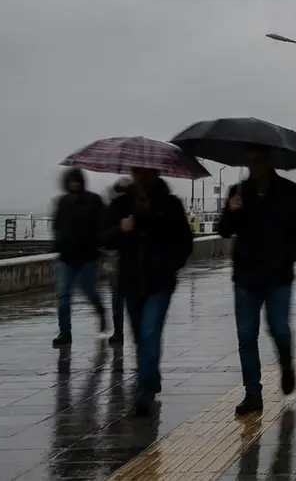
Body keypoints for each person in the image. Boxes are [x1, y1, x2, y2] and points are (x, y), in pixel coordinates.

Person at [218, 150, 296, 416]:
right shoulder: (238, 190)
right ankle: (252, 394)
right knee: (246, 335)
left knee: (280, 329)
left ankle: (286, 364)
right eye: (250, 159)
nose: (254, 164)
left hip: (278, 275)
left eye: (258, 159)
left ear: (269, 161)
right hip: (246, 276)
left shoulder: (288, 191)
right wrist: (231, 210)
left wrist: (288, 255)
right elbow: (224, 229)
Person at [104, 167, 193, 417]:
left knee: (150, 333)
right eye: (137, 172)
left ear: (156, 174)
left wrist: (170, 265)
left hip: (160, 283)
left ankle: (143, 391)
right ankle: (151, 378)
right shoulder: (122, 205)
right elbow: (104, 238)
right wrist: (120, 230)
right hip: (131, 283)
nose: (142, 177)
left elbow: (186, 242)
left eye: (147, 172)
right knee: (140, 339)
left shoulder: (170, 204)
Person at [51, 168, 109, 348]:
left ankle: (100, 312)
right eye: (71, 181)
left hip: (88, 257)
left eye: (77, 180)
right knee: (63, 295)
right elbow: (57, 225)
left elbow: (103, 224)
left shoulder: (93, 201)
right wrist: (60, 241)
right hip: (67, 257)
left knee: (89, 291)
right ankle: (65, 333)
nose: (74, 184)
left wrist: (97, 243)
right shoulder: (63, 202)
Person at [103, 177, 132, 346]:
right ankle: (118, 332)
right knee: (117, 298)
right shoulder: (112, 209)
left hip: (136, 262)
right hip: (117, 260)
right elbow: (105, 238)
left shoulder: (141, 208)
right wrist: (120, 228)